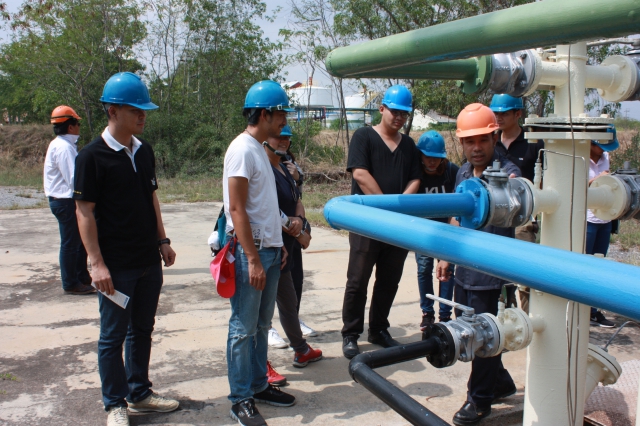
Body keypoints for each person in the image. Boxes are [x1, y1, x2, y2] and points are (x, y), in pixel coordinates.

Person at [74, 72, 178, 426]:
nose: (142, 116)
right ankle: (114, 404)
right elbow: (84, 212)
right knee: (112, 336)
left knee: (142, 329)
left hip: (148, 260)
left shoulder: (143, 151)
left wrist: (162, 240)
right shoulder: (91, 157)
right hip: (115, 267)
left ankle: (140, 392)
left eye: (144, 110)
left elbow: (151, 198)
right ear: (113, 111)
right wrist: (96, 263)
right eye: (136, 110)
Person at [437, 103, 520, 426]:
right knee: (470, 328)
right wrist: (447, 256)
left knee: (481, 335)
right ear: (461, 142)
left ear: (494, 137)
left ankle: (479, 400)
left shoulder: (507, 175)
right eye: (469, 141)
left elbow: (519, 196)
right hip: (465, 271)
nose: (476, 147)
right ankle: (500, 382)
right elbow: (456, 217)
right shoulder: (461, 173)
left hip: (491, 273)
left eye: (482, 140)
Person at [223, 80, 297, 426]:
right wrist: (252, 258)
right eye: (281, 114)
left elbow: (263, 206)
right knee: (243, 328)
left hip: (269, 251)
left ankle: (258, 385)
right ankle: (240, 399)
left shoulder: (260, 149)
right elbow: (237, 208)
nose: (285, 121)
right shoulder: (241, 149)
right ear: (265, 114)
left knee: (262, 325)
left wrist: (277, 244)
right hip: (248, 254)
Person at [341, 85, 422, 359]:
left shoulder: (408, 145)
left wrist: (400, 208)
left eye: (404, 114)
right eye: (394, 111)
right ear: (382, 108)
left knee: (389, 280)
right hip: (366, 223)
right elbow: (360, 174)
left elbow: (415, 178)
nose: (399, 117)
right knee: (358, 280)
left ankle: (378, 329)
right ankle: (351, 333)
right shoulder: (363, 136)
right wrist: (388, 208)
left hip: (397, 225)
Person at [263, 128, 322, 380]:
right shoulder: (262, 168)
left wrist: (301, 224)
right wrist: (296, 232)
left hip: (286, 248)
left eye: (287, 137)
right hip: (268, 246)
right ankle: (259, 365)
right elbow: (265, 210)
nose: (284, 141)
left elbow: (297, 200)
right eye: (279, 137)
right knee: (260, 311)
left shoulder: (285, 167)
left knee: (289, 301)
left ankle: (301, 349)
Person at [490, 94, 544, 312]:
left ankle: (529, 319)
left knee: (524, 273)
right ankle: (504, 315)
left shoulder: (533, 143)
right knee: (497, 271)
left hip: (523, 217)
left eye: (504, 113)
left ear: (517, 114)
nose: (499, 117)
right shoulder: (491, 142)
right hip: (496, 214)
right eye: (496, 113)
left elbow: (545, 180)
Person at [44, 105, 94, 295]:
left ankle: (81, 277)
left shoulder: (61, 144)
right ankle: (71, 283)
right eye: (77, 124)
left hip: (63, 200)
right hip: (65, 201)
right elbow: (74, 179)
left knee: (78, 242)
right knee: (71, 243)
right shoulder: (64, 148)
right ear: (70, 126)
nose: (79, 127)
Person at [414, 130, 459, 326]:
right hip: (424, 231)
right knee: (424, 269)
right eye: (427, 156)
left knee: (447, 272)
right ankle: (427, 313)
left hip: (446, 230)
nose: (432, 161)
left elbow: (458, 201)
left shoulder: (451, 171)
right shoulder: (415, 173)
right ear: (420, 155)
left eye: (436, 157)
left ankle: (445, 315)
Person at [587, 138, 618, 328]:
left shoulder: (605, 157)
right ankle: (581, 308)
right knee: (585, 266)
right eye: (601, 146)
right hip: (588, 220)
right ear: (591, 144)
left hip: (604, 220)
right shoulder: (580, 158)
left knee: (598, 267)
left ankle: (593, 311)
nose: (604, 151)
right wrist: (598, 179)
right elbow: (574, 187)